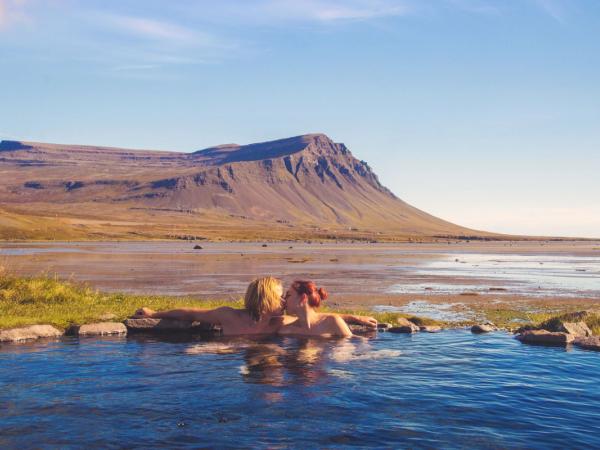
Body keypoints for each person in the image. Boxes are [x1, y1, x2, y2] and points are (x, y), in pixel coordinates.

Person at [133, 276, 285, 336]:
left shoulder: (283, 322)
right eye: (280, 297)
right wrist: (154, 314)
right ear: (266, 298)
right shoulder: (230, 316)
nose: (283, 302)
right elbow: (190, 314)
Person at [278, 280, 353, 338]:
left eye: (288, 295)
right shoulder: (287, 330)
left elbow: (350, 347)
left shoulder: (332, 322)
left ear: (303, 298)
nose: (284, 300)